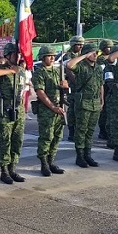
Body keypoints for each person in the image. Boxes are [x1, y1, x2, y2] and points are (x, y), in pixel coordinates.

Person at [0, 43, 27, 185]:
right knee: (5, 141)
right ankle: (4, 170)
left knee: (17, 141)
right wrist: (11, 71)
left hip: (19, 110)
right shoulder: (3, 70)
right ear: (8, 55)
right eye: (14, 54)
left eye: (18, 54)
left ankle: (12, 168)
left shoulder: (21, 70)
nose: (17, 57)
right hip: (6, 110)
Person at [66, 43, 104, 168]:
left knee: (90, 131)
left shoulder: (98, 68)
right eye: (92, 53)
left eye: (96, 53)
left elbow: (101, 84)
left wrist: (101, 99)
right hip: (83, 102)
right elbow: (69, 65)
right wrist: (84, 56)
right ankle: (80, 156)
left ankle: (88, 154)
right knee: (81, 130)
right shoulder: (81, 66)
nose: (95, 55)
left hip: (95, 102)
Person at [31, 46, 67, 176]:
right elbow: (40, 92)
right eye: (48, 56)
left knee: (57, 137)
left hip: (60, 108)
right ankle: (44, 163)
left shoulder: (58, 71)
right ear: (42, 58)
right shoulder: (39, 73)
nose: (52, 58)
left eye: (53, 55)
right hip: (47, 110)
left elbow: (64, 88)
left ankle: (51, 161)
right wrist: (52, 107)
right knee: (46, 137)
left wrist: (65, 86)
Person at [65, 36, 85, 141]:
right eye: (78, 44)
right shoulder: (68, 55)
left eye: (82, 44)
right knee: (72, 109)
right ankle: (72, 131)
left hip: (81, 85)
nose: (81, 46)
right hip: (73, 86)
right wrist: (76, 82)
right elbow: (68, 70)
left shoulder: (81, 55)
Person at [96, 39, 115, 139]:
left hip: (111, 84)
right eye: (108, 47)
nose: (110, 49)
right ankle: (103, 130)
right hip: (104, 85)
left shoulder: (113, 58)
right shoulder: (101, 59)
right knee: (104, 110)